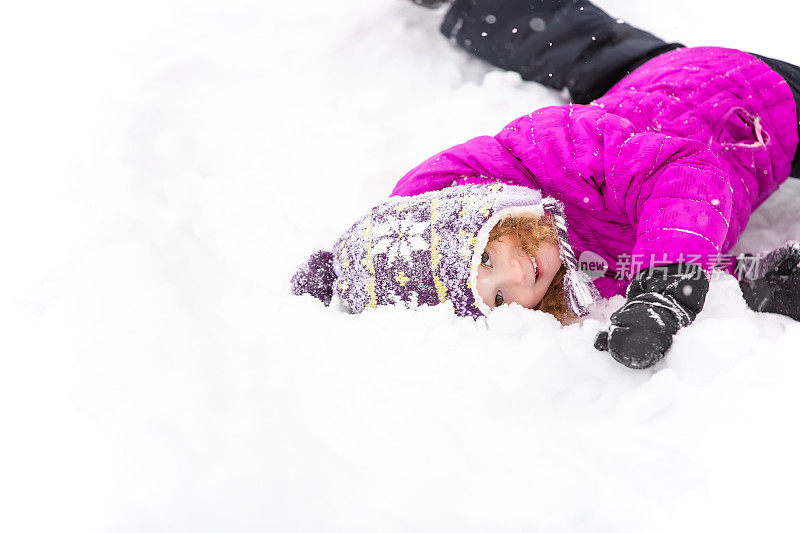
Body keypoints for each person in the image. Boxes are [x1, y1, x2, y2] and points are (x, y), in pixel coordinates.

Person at [292, 0, 800, 369]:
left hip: (739, 94)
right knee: (597, 54)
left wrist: (666, 284)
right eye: (497, 299)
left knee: (576, 43)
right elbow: (689, 238)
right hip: (639, 89)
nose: (515, 276)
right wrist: (758, 282)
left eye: (487, 258)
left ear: (474, 212)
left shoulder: (547, 149)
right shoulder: (564, 273)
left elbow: (684, 180)